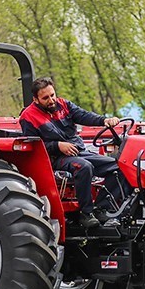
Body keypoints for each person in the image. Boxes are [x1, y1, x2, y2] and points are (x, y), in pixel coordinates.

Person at [19, 76, 129, 228]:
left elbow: (83, 115)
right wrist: (57, 146)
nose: (51, 100)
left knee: (120, 167)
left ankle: (101, 208)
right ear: (36, 99)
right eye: (45, 98)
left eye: (52, 95)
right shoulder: (28, 117)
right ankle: (86, 214)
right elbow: (33, 145)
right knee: (83, 166)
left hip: (77, 150)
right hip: (54, 158)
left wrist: (104, 120)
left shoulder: (63, 105)